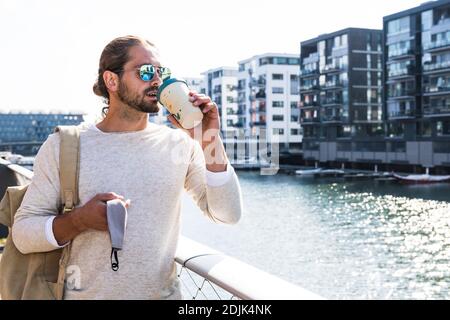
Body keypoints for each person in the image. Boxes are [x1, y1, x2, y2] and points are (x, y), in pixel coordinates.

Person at [12, 35, 243, 299]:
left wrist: (209, 138)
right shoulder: (63, 145)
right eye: (145, 72)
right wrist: (79, 220)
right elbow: (23, 233)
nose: (157, 80)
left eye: (161, 72)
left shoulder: (179, 144)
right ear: (112, 80)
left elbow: (227, 214)